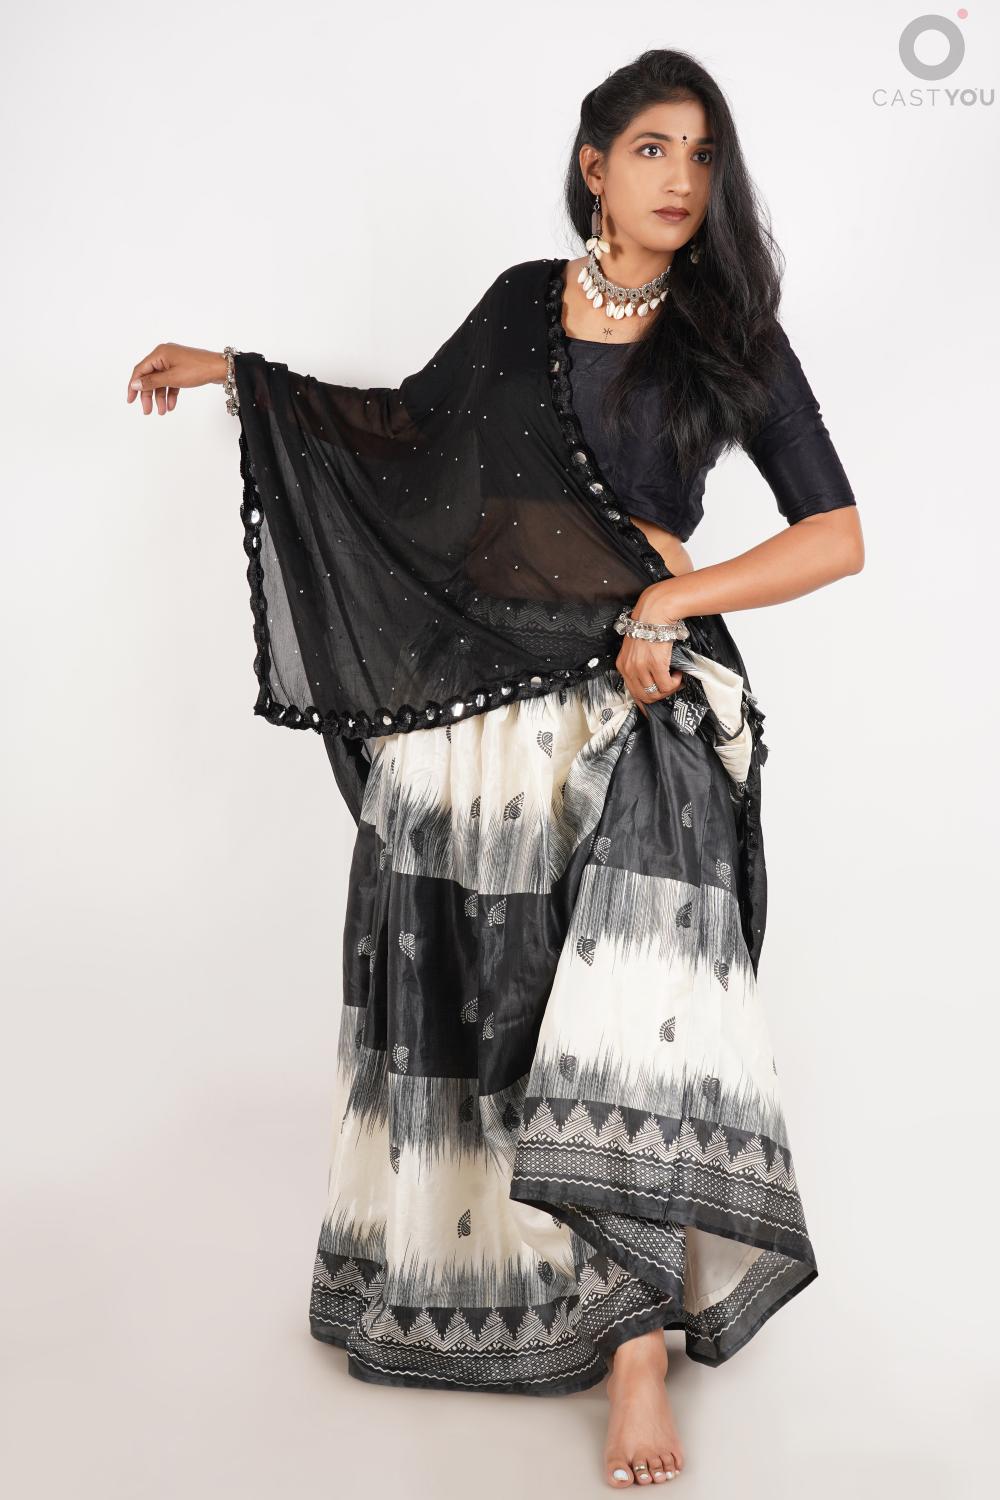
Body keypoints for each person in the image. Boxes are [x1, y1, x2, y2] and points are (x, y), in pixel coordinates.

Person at [127, 48, 864, 1491]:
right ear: (594, 165)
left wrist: (670, 599)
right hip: (477, 691)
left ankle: (636, 1349)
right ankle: (485, 1280)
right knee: (483, 987)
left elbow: (835, 535)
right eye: (651, 149)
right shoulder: (524, 304)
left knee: (630, 1008)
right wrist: (242, 379)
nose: (680, 179)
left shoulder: (731, 337)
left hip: (632, 690)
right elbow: (409, 437)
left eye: (703, 155)